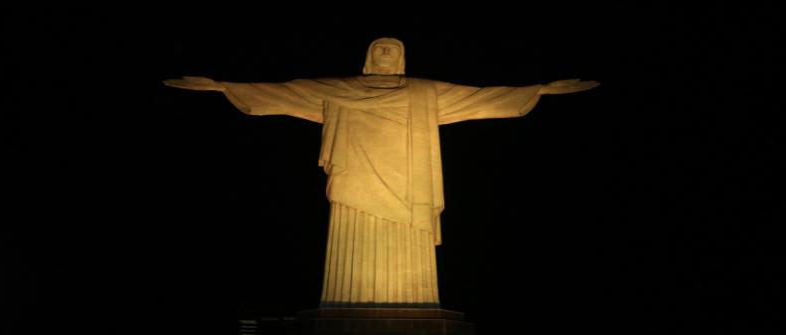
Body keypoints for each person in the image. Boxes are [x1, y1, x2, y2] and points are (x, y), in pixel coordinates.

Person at [164, 37, 598, 307]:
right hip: (355, 176)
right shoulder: (340, 89)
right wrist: (223, 86)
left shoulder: (425, 91)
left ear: (402, 57)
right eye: (380, 51)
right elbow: (283, 92)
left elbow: (481, 98)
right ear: (370, 57)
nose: (387, 56)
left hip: (409, 186)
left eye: (393, 51)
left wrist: (537, 90)